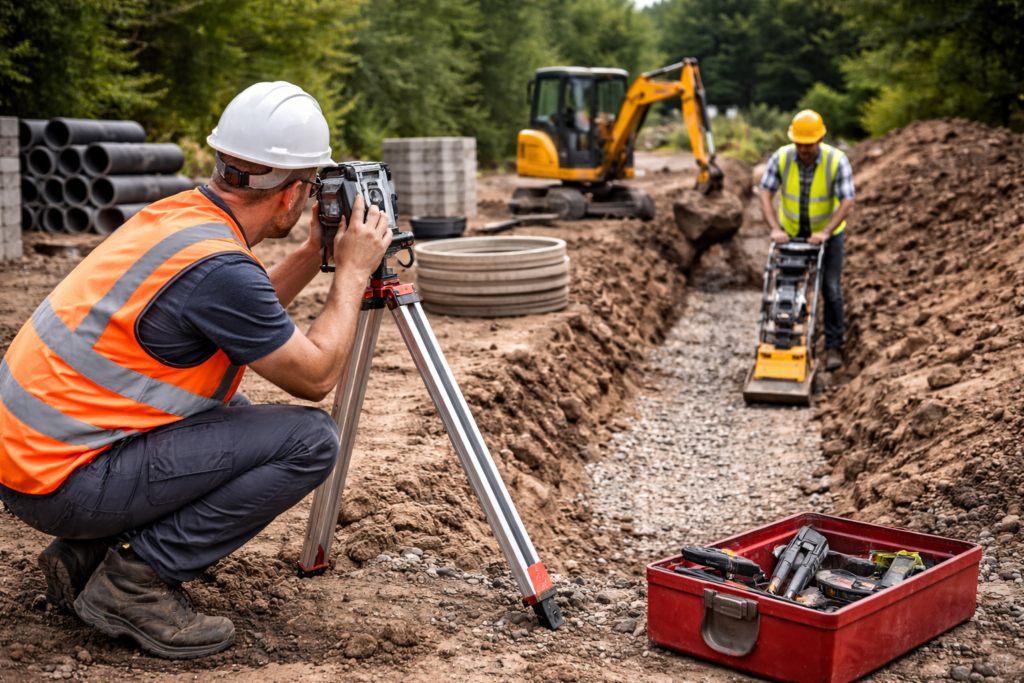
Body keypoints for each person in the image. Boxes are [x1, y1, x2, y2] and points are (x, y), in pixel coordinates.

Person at [0, 82, 392, 659]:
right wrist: (353, 273)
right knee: (309, 440)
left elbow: (243, 315)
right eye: (311, 187)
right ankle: (132, 582)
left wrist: (314, 254)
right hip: (63, 484)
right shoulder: (221, 271)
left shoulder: (182, 219)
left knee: (228, 409)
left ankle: (86, 553)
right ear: (291, 195)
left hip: (31, 460)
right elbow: (314, 377)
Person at [758, 109, 856, 371]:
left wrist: (825, 232)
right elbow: (764, 192)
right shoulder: (781, 158)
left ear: (819, 140)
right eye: (799, 144)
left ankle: (833, 347)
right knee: (785, 288)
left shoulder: (837, 161)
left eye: (808, 144)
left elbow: (847, 201)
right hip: (790, 234)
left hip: (827, 235)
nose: (803, 149)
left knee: (831, 289)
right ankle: (784, 340)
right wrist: (774, 227)